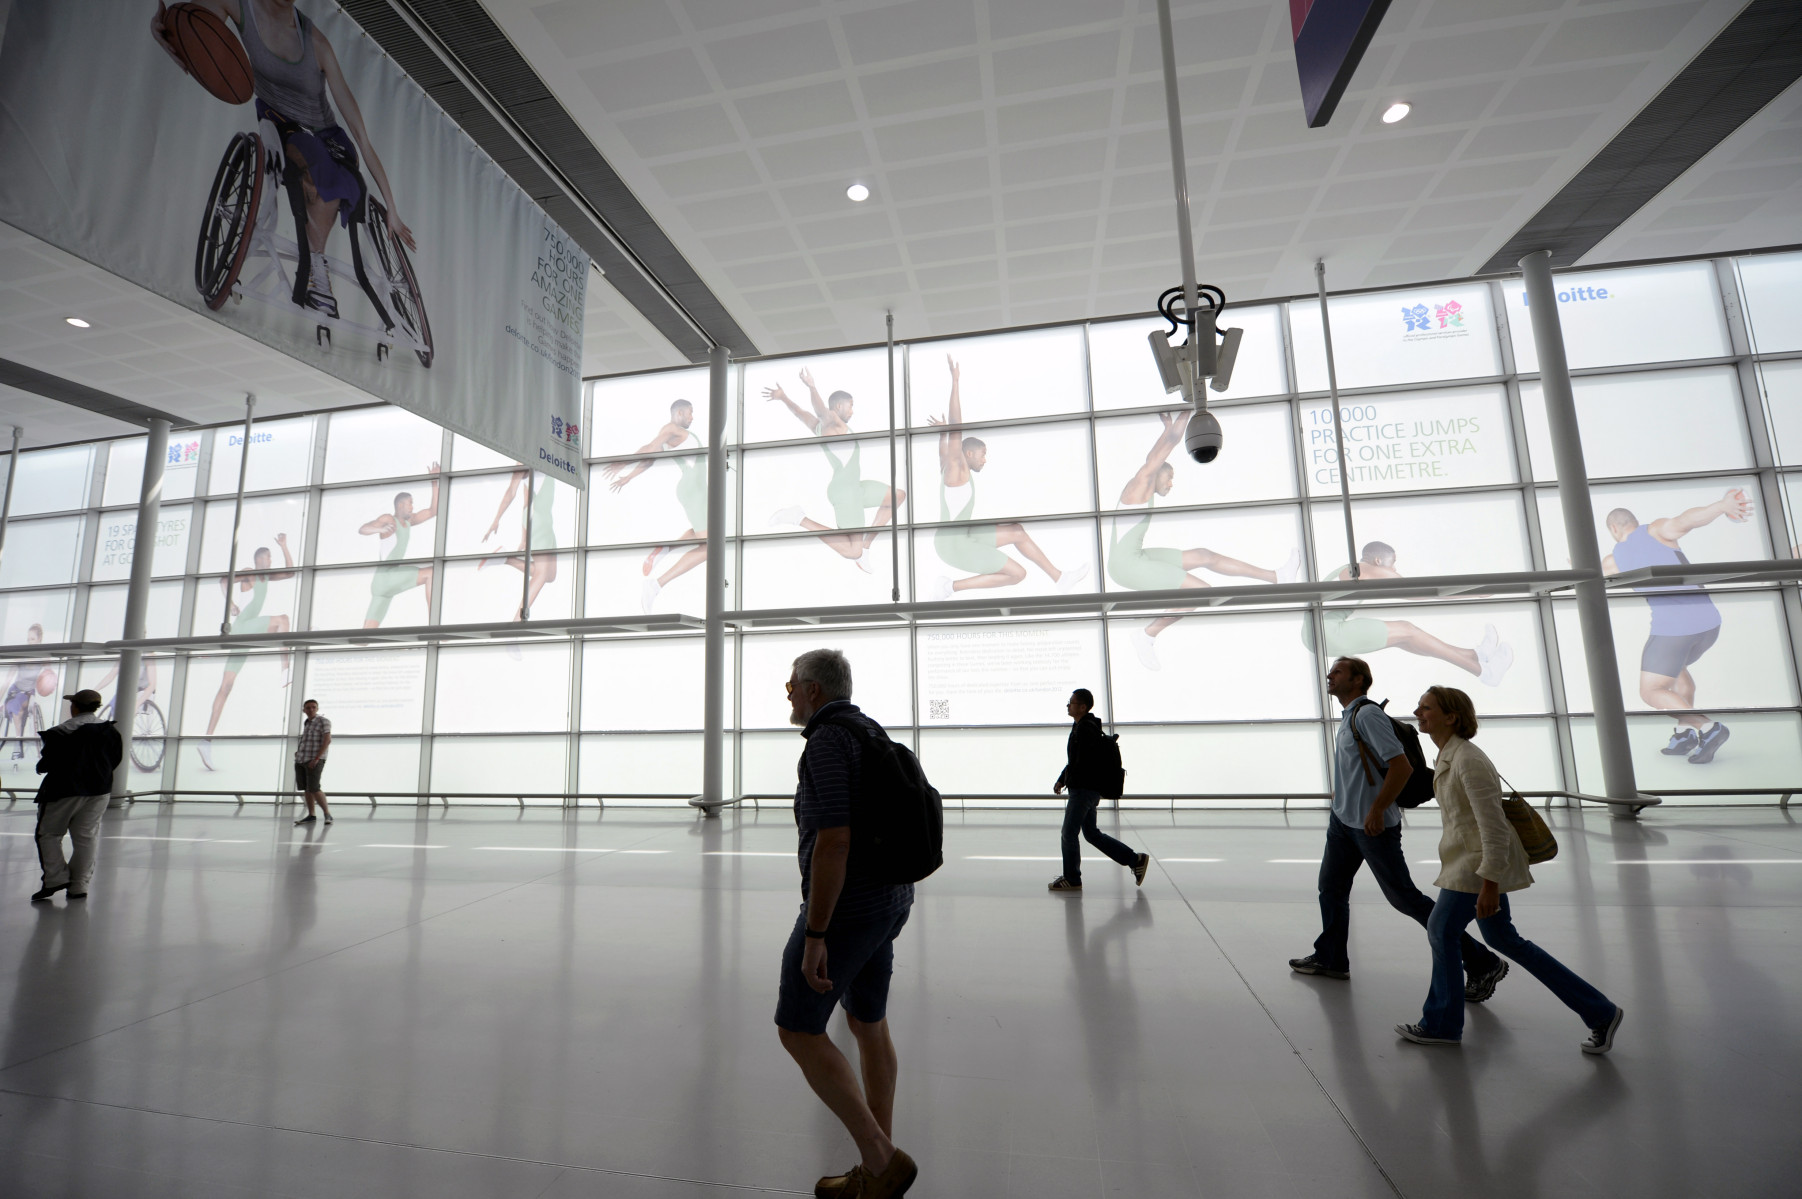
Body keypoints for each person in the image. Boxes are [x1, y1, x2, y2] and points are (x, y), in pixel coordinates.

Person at [152, 0, 416, 319]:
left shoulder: (317, 44)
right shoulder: (239, 6)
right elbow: (195, 30)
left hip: (326, 134)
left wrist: (393, 208)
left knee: (340, 174)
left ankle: (317, 261)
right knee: (315, 165)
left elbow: (361, 136)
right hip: (279, 123)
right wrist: (164, 28)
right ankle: (312, 263)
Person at [1396, 685, 1623, 1053]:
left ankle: (1440, 1023)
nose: (1418, 712)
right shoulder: (1448, 756)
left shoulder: (1468, 760)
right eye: (1419, 706)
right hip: (1471, 861)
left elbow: (1494, 827)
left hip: (1477, 865)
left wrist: (1489, 884)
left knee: (1441, 929)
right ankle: (1600, 1012)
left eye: (1426, 708)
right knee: (1503, 939)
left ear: (1451, 716)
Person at [776, 649, 918, 1198]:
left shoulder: (827, 742)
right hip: (889, 899)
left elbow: (834, 840)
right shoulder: (868, 730)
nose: (787, 691)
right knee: (867, 1022)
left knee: (798, 1029)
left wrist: (816, 934)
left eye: (792, 683)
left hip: (847, 911)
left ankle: (882, 1160)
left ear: (813, 690)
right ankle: (876, 1164)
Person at [1288, 656, 1509, 1002]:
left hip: (1372, 827)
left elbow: (1401, 767)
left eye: (1338, 672)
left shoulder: (1368, 715)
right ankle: (1331, 958)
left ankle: (1482, 962)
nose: (1330, 676)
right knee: (1330, 890)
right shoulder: (1348, 717)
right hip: (1344, 822)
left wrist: (1376, 809)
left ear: (1359, 680)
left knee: (1403, 897)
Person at [1111, 410, 1301, 670]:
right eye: (1170, 478)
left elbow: (1154, 457)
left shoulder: (1143, 482)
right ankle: (1147, 635)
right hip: (1127, 565)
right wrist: (1180, 420)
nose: (1171, 484)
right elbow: (1158, 456)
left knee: (1203, 555)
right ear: (1157, 474)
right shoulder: (1141, 482)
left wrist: (1168, 432)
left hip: (1134, 556)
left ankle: (1277, 576)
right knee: (1202, 593)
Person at [1602, 489, 1750, 765]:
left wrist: (1576, 567)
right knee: (1675, 672)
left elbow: (1591, 576)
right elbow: (1687, 520)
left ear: (1613, 529)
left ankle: (1707, 728)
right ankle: (1684, 734)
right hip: (1709, 624)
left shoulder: (1614, 560)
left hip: (1674, 629)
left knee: (1651, 691)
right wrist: (1722, 505)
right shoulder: (1657, 530)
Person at [926, 355, 1088, 600]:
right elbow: (956, 426)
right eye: (982, 454)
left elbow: (943, 454)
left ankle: (1060, 578)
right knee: (1018, 574)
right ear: (967, 453)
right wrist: (955, 382)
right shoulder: (957, 470)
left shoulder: (953, 471)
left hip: (963, 536)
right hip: (954, 546)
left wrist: (941, 435)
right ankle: (949, 587)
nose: (984, 459)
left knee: (1016, 531)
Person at [1303, 542, 1514, 686]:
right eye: (1393, 562)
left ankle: (1476, 655)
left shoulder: (1353, 570)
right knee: (1407, 630)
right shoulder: (1367, 569)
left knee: (1405, 639)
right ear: (1378, 561)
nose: (1395, 568)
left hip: (1317, 634)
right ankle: (1484, 672)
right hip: (1327, 632)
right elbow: (1418, 593)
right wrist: (1474, 593)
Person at [765, 368, 906, 573]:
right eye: (851, 406)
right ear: (838, 406)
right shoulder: (832, 424)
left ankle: (866, 547)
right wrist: (812, 387)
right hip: (847, 493)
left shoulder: (820, 428)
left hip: (855, 487)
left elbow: (799, 413)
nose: (852, 411)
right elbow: (821, 411)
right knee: (852, 552)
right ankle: (799, 518)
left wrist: (784, 397)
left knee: (897, 496)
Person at [197, 537, 297, 771]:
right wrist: (230, 604)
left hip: (246, 634)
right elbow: (223, 580)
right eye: (266, 558)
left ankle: (206, 740)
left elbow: (291, 573)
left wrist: (284, 547)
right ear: (258, 559)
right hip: (244, 625)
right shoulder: (250, 572)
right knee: (283, 620)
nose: (269, 562)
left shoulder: (267, 576)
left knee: (226, 686)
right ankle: (285, 670)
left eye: (270, 559)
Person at [601, 399, 709, 613]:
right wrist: (625, 463)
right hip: (694, 490)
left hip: (695, 489)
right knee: (709, 549)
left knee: (701, 535)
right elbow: (650, 449)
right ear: (679, 412)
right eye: (690, 412)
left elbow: (650, 455)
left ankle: (664, 550)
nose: (692, 417)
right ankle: (656, 584)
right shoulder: (672, 428)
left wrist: (629, 476)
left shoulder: (668, 434)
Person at [1048, 688, 1149, 893]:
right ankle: (1135, 860)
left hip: (1084, 790)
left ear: (1083, 706)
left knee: (1068, 833)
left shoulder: (1085, 729)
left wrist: (1069, 781)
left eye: (1072, 702)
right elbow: (1074, 761)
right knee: (1091, 834)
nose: (1068, 705)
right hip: (1086, 789)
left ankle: (1072, 878)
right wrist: (1062, 780)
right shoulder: (1083, 726)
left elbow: (1081, 763)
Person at [31, 689, 124, 903]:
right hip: (99, 790)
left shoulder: (61, 731)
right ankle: (79, 885)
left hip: (63, 790)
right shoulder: (109, 731)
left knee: (49, 834)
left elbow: (49, 761)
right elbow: (115, 759)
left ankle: (55, 878)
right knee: (85, 837)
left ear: (75, 707)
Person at [360, 464, 440, 629]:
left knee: (365, 637)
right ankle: (434, 625)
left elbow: (434, 510)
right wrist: (379, 529)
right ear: (401, 505)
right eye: (410, 503)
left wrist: (434, 482)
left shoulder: (409, 522)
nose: (412, 507)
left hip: (382, 585)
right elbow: (363, 529)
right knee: (431, 573)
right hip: (387, 577)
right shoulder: (389, 519)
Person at [479, 468, 558, 619]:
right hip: (538, 521)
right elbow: (511, 492)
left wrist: (524, 537)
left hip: (544, 521)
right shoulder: (524, 459)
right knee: (542, 574)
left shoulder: (544, 454)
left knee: (550, 575)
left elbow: (526, 501)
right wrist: (496, 519)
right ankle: (517, 620)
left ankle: (506, 558)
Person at [3, 623, 49, 759]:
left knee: (20, 707)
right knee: (16, 706)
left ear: (39, 639)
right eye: (28, 639)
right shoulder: (21, 655)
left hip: (29, 692)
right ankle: (18, 742)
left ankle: (19, 742)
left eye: (32, 639)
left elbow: (49, 675)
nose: (29, 642)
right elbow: (8, 679)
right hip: (15, 691)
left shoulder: (43, 657)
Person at [293, 698, 332, 825]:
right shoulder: (307, 723)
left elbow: (327, 740)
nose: (311, 709)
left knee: (314, 787)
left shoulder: (323, 721)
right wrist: (299, 752)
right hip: (302, 759)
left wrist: (316, 758)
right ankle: (311, 815)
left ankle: (327, 814)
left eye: (313, 707)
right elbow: (307, 740)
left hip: (315, 759)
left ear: (317, 709)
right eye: (308, 707)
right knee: (306, 788)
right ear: (304, 710)